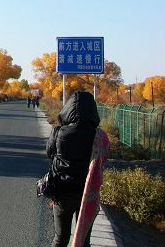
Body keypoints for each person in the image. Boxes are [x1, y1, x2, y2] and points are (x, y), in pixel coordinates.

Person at [45, 90, 110, 247]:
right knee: (83, 240)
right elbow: (104, 158)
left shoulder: (58, 132)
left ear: (68, 108)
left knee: (60, 238)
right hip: (87, 194)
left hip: (62, 191)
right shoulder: (98, 135)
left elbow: (50, 154)